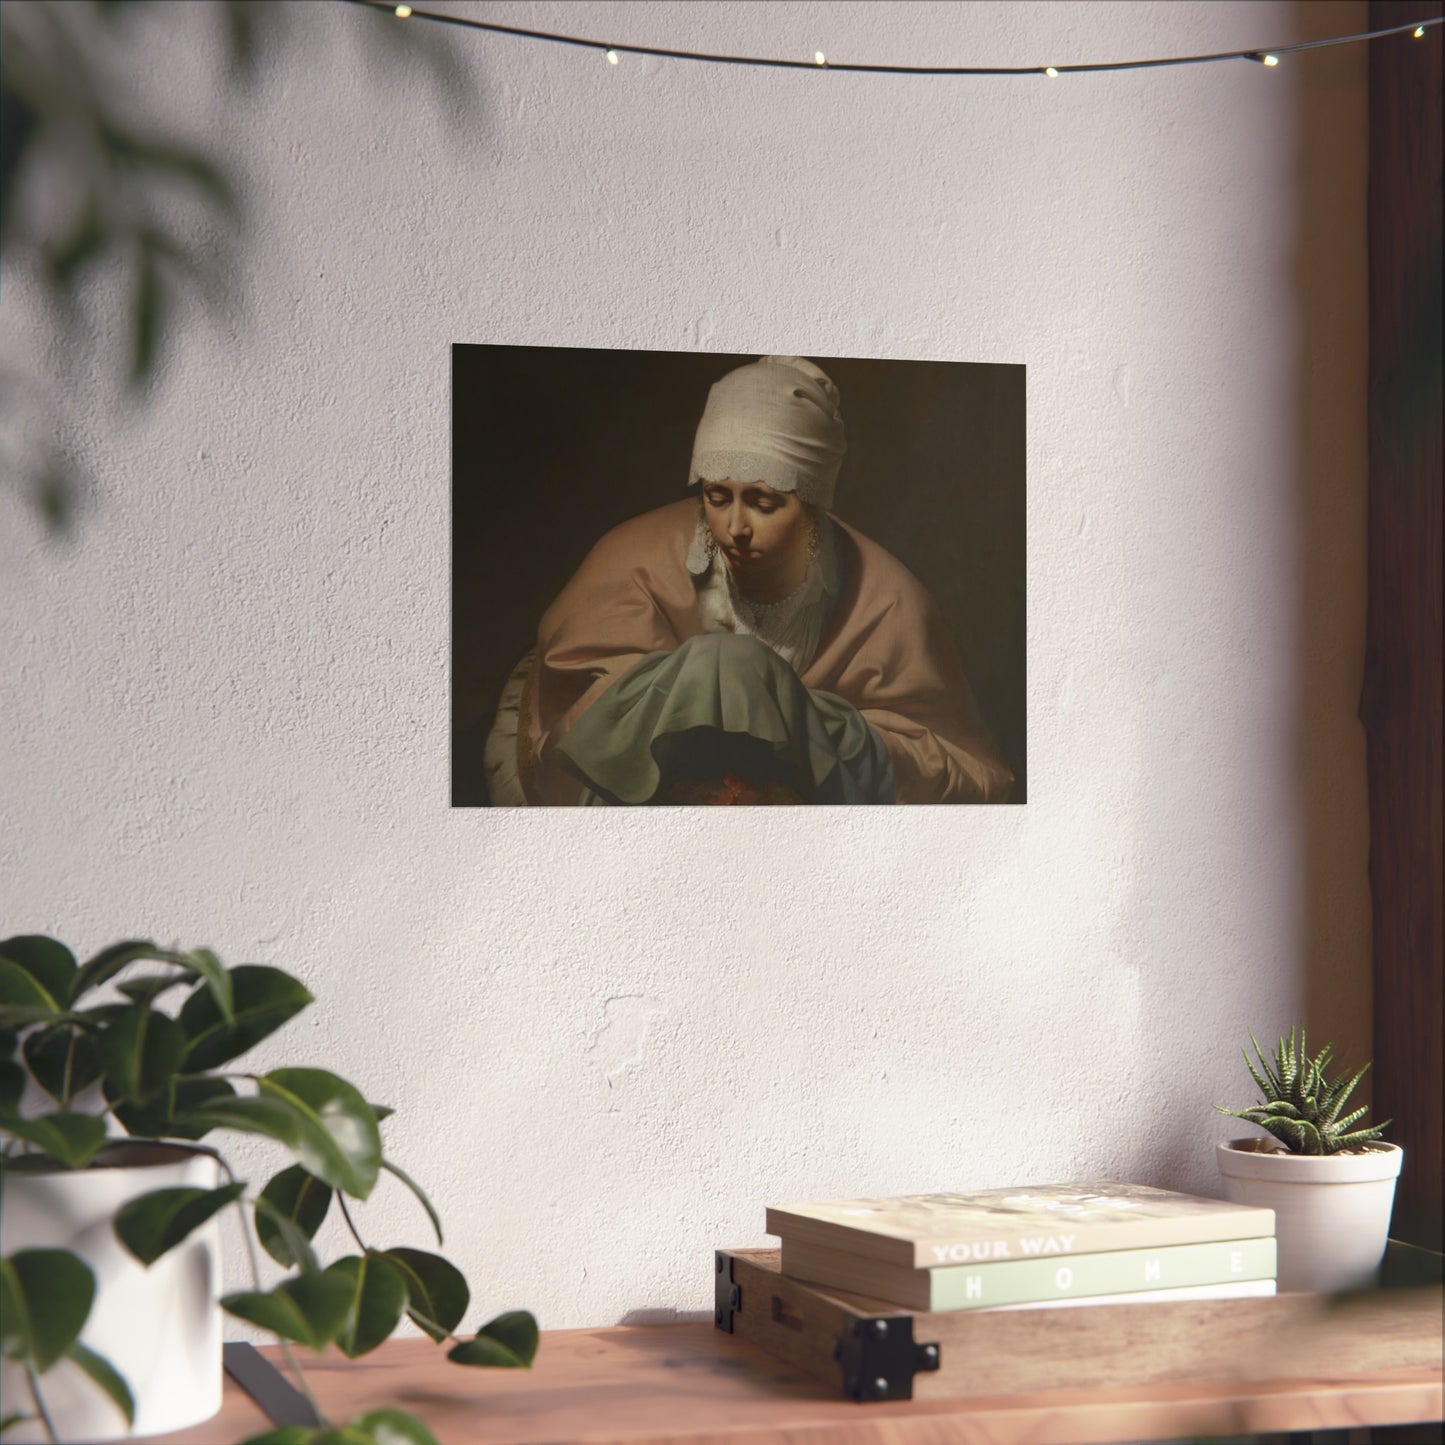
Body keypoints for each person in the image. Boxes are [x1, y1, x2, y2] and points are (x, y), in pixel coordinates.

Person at [485, 355, 1013, 806]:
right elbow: (568, 720)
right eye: (717, 498)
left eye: (764, 503)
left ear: (813, 505)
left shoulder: (889, 600)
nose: (735, 527)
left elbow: (966, 771)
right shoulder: (633, 558)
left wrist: (813, 731)